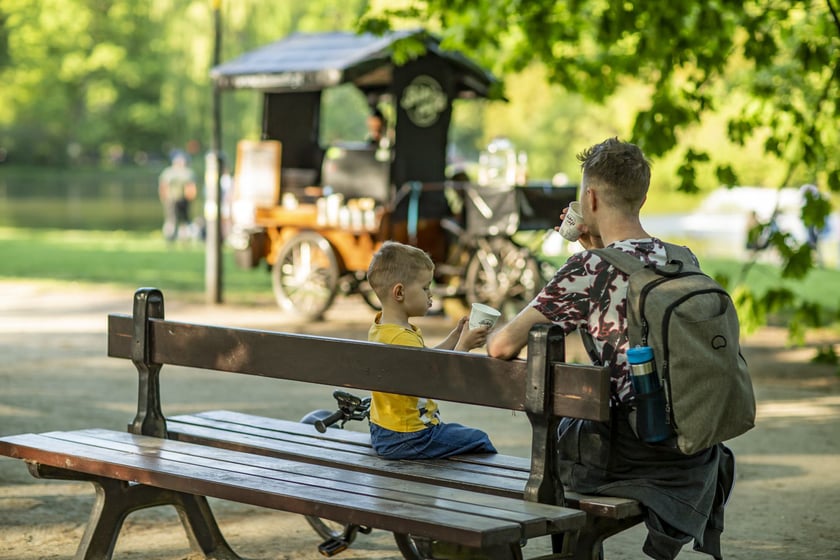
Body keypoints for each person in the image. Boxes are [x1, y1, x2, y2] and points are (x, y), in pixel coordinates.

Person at [487, 138, 735, 560]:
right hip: (693, 453)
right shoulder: (681, 258)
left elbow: (501, 345)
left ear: (591, 197)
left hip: (625, 458)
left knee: (559, 445)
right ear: (642, 195)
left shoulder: (589, 269)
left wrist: (587, 257)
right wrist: (594, 250)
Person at [365, 241, 497, 459]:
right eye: (425, 287)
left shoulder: (384, 329)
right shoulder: (401, 338)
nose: (430, 294)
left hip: (383, 431)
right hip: (411, 437)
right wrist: (465, 346)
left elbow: (426, 360)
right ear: (399, 292)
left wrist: (455, 336)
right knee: (480, 439)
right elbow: (437, 381)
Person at [158, 152, 198, 242]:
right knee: (171, 218)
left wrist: (191, 197)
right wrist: (164, 197)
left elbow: (191, 187)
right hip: (171, 199)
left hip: (184, 199)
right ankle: (169, 236)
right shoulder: (168, 172)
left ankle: (184, 237)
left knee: (184, 219)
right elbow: (163, 186)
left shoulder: (188, 173)